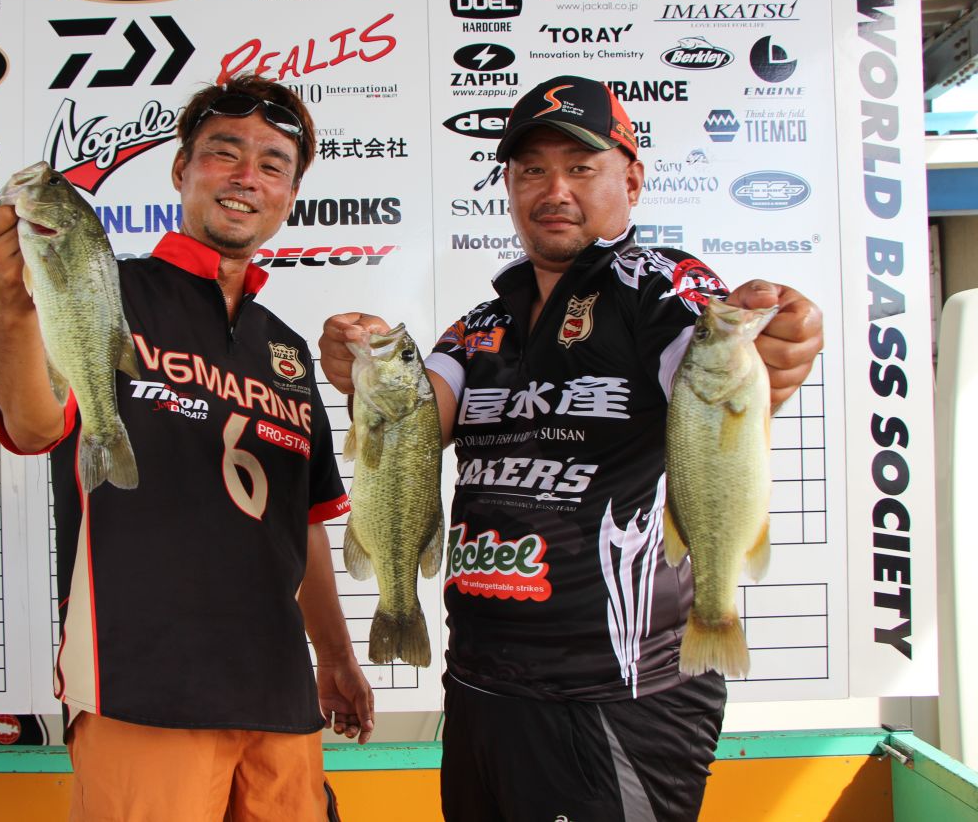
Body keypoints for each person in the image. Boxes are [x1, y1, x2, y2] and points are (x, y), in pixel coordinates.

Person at [319, 75, 823, 821]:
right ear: (510, 186)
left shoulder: (665, 290)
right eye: (532, 170)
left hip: (613, 697)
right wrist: (360, 371)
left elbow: (716, 376)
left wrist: (776, 350)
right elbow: (415, 420)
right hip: (480, 684)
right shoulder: (480, 325)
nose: (554, 189)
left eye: (581, 167)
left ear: (632, 180)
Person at [0, 74, 375, 822]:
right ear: (181, 169)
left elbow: (306, 521)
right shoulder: (101, 284)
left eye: (273, 164)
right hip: (141, 688)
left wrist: (338, 658)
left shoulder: (287, 348)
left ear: (290, 196)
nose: (246, 176)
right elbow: (31, 425)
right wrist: (5, 300)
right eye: (224, 152)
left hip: (281, 698)